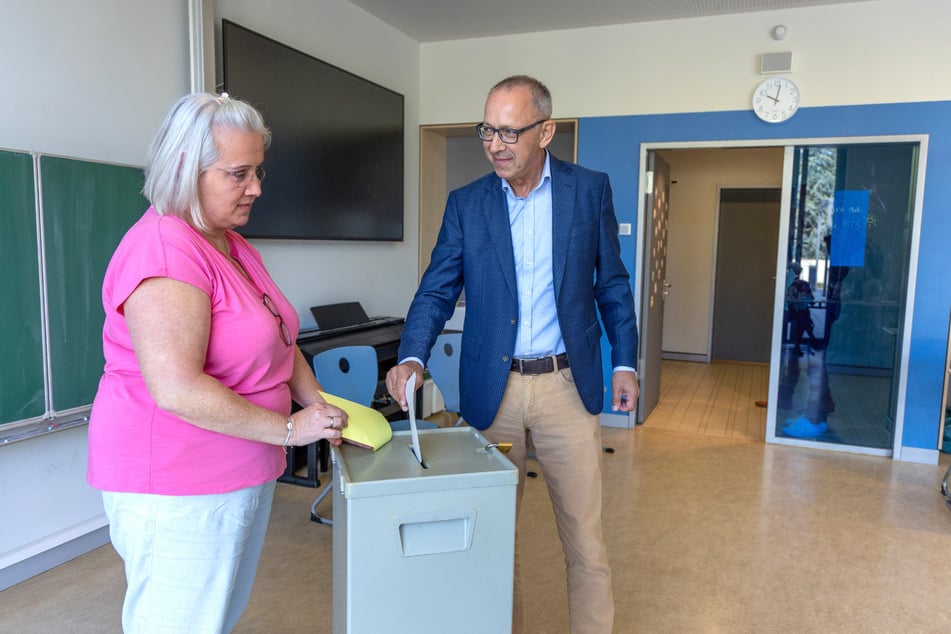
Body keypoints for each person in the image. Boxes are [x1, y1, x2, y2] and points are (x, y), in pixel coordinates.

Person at [386, 75, 639, 634]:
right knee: (496, 541)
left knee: (586, 542)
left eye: (509, 131)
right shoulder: (467, 204)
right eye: (487, 131)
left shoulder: (588, 191)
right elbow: (435, 290)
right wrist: (412, 357)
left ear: (545, 131)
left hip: (566, 389)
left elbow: (613, 285)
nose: (496, 144)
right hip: (491, 394)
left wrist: (624, 360)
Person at [87, 92, 347, 633]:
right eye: (239, 173)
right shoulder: (163, 249)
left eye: (259, 170)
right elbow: (177, 388)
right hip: (178, 480)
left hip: (239, 469)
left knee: (215, 619)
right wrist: (287, 428)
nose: (256, 187)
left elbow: (280, 338)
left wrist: (317, 406)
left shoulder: (228, 242)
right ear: (186, 168)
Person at [785, 261, 816, 355]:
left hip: (797, 310)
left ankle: (807, 341)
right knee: (804, 321)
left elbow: (811, 298)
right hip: (793, 310)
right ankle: (812, 339)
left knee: (803, 321)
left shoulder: (800, 284)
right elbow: (789, 299)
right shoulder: (795, 284)